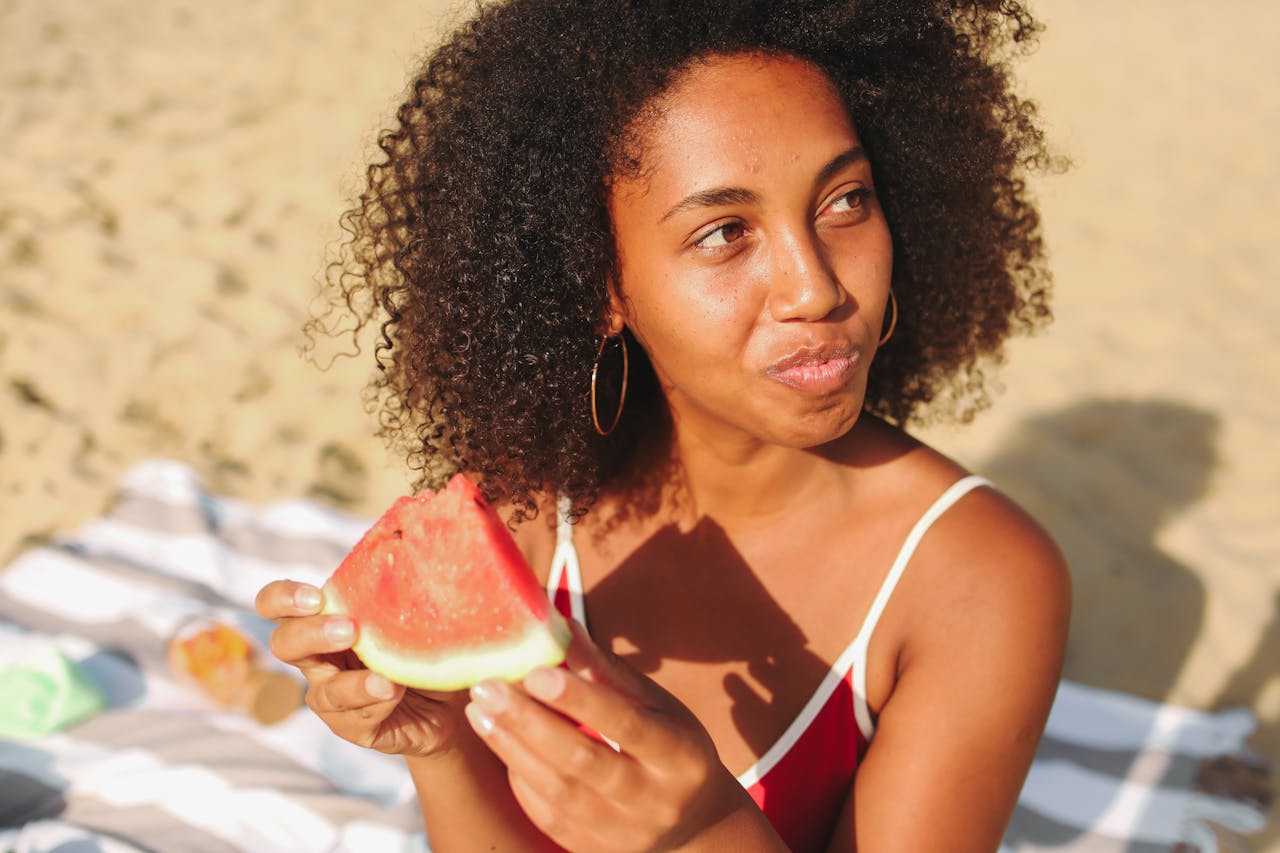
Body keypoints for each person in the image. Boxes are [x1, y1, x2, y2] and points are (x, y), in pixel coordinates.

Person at [256, 0, 1071, 849]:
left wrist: (705, 828)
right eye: (725, 232)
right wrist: (441, 744)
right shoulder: (531, 503)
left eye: (845, 200)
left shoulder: (979, 581)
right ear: (600, 284)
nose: (816, 288)